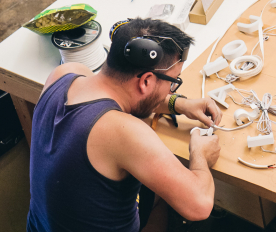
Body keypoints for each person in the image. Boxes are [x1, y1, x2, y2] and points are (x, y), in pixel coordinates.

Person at [27, 18, 223, 231]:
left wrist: (179, 104)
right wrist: (200, 155)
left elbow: (116, 92)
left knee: (158, 188)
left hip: (42, 225)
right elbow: (199, 205)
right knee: (168, 198)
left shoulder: (64, 74)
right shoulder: (122, 131)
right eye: (173, 83)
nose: (171, 91)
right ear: (146, 81)